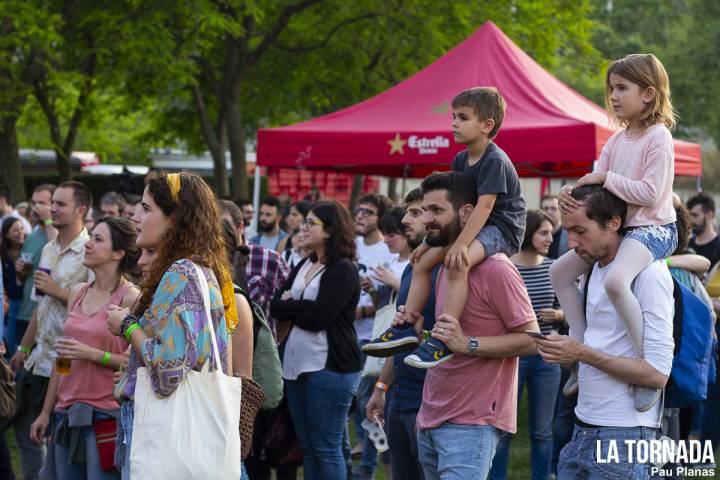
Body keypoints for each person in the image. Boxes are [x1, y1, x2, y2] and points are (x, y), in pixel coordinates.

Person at [367, 87, 526, 370]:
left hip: (501, 227)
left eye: (463, 118)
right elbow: (456, 209)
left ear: (487, 125)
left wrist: (460, 245)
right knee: (421, 262)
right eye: (453, 116)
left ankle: (442, 337)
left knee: (458, 263)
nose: (453, 123)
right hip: (472, 224)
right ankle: (406, 324)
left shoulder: (494, 160)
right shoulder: (460, 159)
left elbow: (485, 208)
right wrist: (429, 242)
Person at [553, 54, 677, 412]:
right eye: (612, 89)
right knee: (558, 272)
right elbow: (596, 190)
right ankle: (579, 344)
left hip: (653, 229)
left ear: (649, 94)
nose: (614, 96)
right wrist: (572, 194)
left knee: (615, 282)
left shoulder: (659, 137)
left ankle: (647, 368)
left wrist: (606, 179)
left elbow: (651, 194)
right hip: (621, 229)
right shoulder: (616, 140)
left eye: (622, 88)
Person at [393, 172, 537, 479]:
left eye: (436, 210)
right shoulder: (445, 262)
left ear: (467, 213)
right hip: (431, 413)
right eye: (425, 210)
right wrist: (419, 332)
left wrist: (467, 343)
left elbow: (531, 339)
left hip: (473, 422)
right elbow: (447, 338)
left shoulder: (497, 268)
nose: (428, 219)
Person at [535, 185, 674, 479]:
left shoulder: (649, 275)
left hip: (626, 438)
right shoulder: (590, 269)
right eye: (568, 230)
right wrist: (567, 354)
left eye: (581, 231)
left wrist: (581, 352)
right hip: (582, 426)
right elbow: (596, 345)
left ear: (613, 224)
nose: (571, 242)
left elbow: (657, 375)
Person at [106, 172, 234, 479]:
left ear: (175, 219)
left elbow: (167, 372)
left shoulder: (182, 274)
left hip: (163, 434)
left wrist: (127, 325)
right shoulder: (199, 270)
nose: (135, 216)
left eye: (146, 208)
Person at [29, 216, 140, 479]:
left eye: (98, 239)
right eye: (91, 237)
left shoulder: (131, 297)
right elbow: (63, 359)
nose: (88, 244)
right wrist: (46, 411)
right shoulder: (77, 292)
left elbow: (134, 363)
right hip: (66, 415)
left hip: (105, 417)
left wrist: (91, 354)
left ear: (118, 253)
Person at [270, 200, 361, 480]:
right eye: (304, 221)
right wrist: (303, 305)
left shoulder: (343, 269)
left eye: (311, 223)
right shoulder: (304, 262)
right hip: (296, 366)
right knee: (308, 447)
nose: (303, 227)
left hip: (330, 368)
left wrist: (294, 305)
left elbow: (319, 319)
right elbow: (275, 306)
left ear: (331, 230)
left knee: (327, 447)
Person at [8, 181, 93, 480]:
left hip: (66, 362)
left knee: (56, 437)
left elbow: (95, 305)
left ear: (81, 209)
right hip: (38, 358)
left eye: (60, 204)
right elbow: (39, 308)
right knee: (25, 429)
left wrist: (58, 290)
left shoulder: (91, 251)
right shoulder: (47, 248)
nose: (51, 209)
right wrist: (24, 349)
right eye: (51, 203)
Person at [365, 188, 439, 480]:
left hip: (432, 402)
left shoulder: (450, 269)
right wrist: (381, 389)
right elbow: (400, 336)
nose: (406, 219)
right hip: (400, 398)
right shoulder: (414, 267)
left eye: (416, 212)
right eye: (407, 211)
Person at [489, 209, 563, 480]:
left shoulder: (554, 267)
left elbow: (565, 308)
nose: (550, 238)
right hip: (515, 353)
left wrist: (559, 315)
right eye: (544, 232)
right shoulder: (507, 266)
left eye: (551, 233)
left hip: (547, 355)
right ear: (529, 232)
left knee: (543, 430)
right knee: (503, 426)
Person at [352, 193, 395, 460]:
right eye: (359, 210)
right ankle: (367, 448)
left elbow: (387, 303)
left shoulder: (387, 250)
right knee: (356, 398)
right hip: (348, 331)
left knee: (368, 399)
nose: (360, 216)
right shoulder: (352, 245)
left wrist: (366, 305)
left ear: (380, 219)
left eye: (368, 212)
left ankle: (373, 456)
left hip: (371, 334)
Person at [11, 185, 59, 356]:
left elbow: (57, 247)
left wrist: (48, 220)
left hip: (45, 318)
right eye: (33, 202)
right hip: (25, 311)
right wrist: (21, 271)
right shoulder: (30, 235)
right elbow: (28, 273)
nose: (35, 207)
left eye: (41, 203)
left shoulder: (56, 232)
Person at [2, 217, 27, 346]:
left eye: (22, 228)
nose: (21, 232)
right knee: (10, 341)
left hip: (27, 303)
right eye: (15, 230)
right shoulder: (3, 255)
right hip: (9, 305)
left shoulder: (28, 249)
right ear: (6, 234)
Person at [687, 192, 720, 269]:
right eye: (689, 216)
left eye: (695, 215)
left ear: (709, 215)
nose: (691, 220)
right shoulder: (687, 244)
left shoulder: (718, 247)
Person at [278, 201, 312, 269]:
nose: (290, 218)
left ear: (306, 217)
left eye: (295, 214)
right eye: (289, 214)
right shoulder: (284, 242)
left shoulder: (313, 242)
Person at [541, 194, 569, 260]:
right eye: (546, 208)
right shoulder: (534, 233)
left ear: (561, 211)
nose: (549, 212)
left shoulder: (569, 234)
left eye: (553, 208)